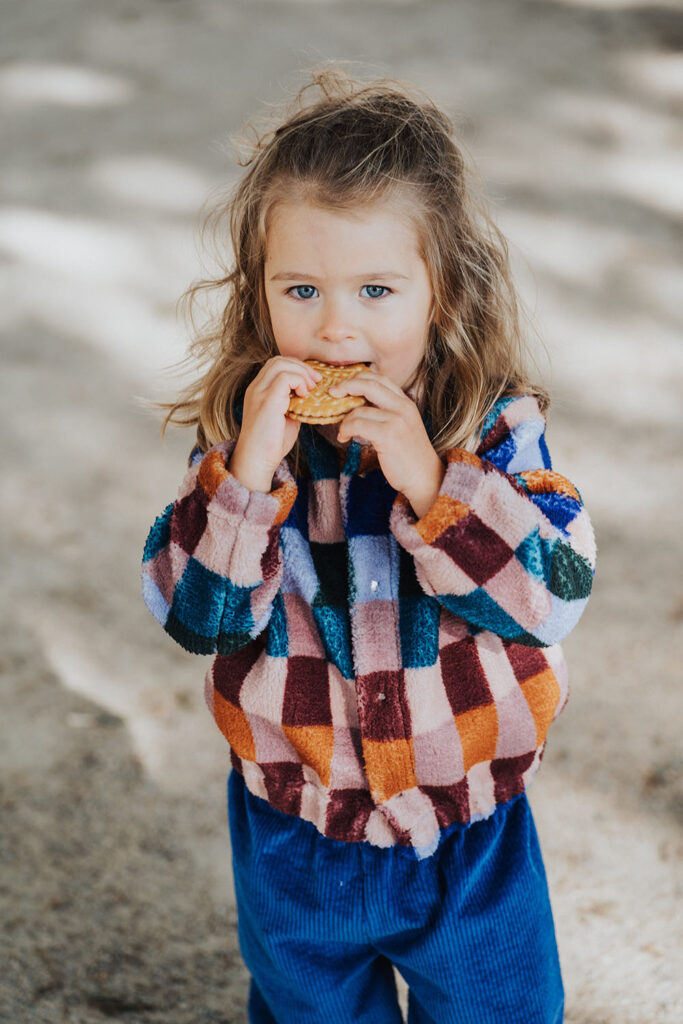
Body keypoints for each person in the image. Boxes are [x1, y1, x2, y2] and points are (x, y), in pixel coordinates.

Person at [141, 67, 596, 1024]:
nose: (336, 326)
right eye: (300, 288)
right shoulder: (242, 439)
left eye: (376, 289)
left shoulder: (493, 430)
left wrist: (432, 484)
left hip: (467, 831)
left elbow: (553, 595)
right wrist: (248, 481)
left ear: (442, 293)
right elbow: (197, 619)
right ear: (258, 294)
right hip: (295, 829)